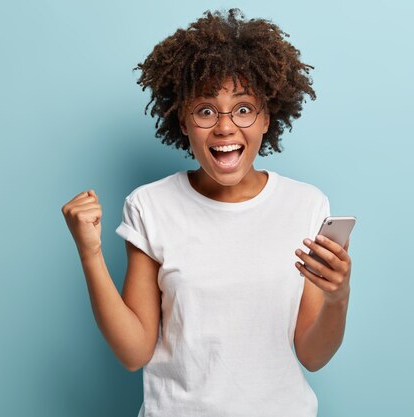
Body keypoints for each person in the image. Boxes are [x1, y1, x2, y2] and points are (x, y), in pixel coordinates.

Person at [61, 8, 353, 417]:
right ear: (183, 119)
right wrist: (89, 253)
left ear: (267, 117)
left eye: (244, 109)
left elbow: (312, 354)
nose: (225, 127)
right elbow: (134, 352)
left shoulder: (306, 205)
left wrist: (338, 298)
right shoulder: (150, 206)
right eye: (205, 110)